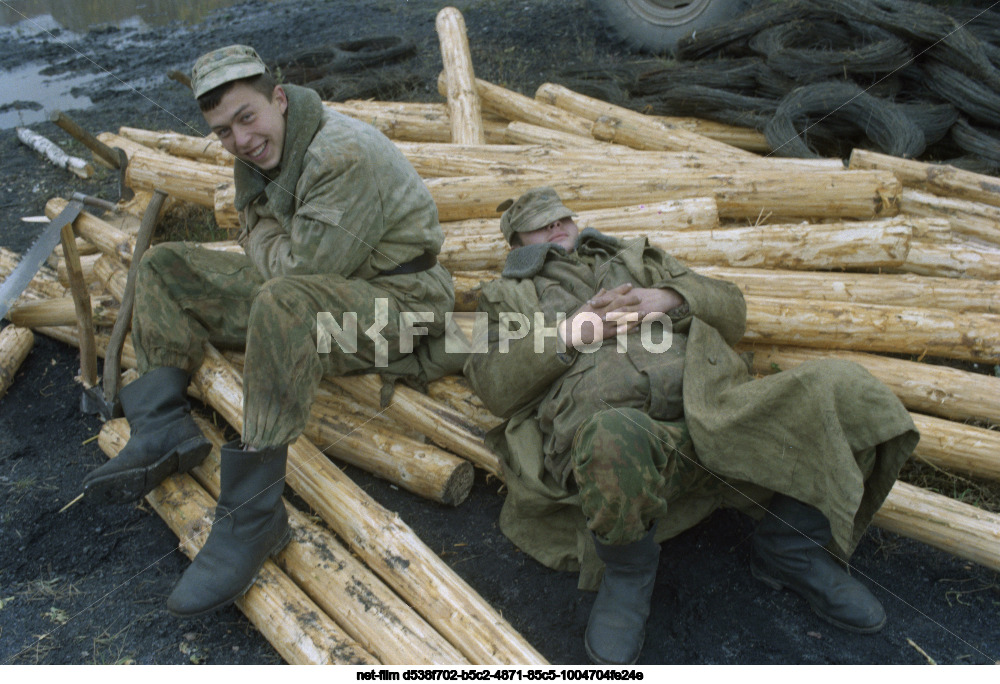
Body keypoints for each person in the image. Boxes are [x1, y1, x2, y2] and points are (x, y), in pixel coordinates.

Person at [463, 186, 919, 665]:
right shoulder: (507, 297)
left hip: (720, 411)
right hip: (636, 442)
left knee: (849, 390)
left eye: (563, 218)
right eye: (541, 224)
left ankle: (791, 549)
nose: (557, 226)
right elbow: (494, 384)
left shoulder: (637, 259)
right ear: (516, 245)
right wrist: (571, 332)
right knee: (612, 438)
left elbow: (731, 307)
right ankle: (627, 577)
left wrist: (666, 297)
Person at [81, 45, 459, 617]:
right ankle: (162, 429)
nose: (240, 140)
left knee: (283, 299)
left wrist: (258, 237)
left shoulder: (339, 154)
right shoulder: (258, 154)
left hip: (398, 307)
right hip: (319, 289)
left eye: (247, 117)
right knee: (165, 267)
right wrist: (264, 240)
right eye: (223, 131)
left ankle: (254, 515)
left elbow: (298, 268)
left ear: (278, 100)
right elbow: (277, 249)